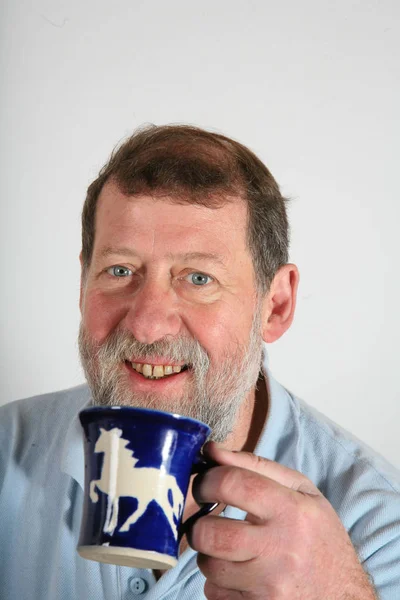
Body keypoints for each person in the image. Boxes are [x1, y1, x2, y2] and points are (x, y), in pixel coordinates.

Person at [0, 124, 399, 600]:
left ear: (275, 305)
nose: (148, 324)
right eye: (120, 270)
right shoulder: (7, 451)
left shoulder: (378, 529)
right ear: (83, 283)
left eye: (198, 278)